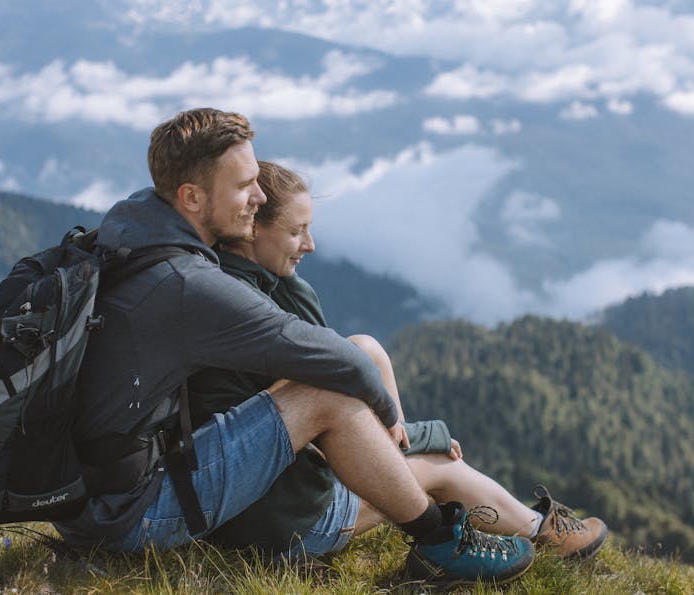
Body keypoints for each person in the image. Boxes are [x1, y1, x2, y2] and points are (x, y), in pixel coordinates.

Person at [53, 108, 536, 587]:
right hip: (131, 514)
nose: (259, 196)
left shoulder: (132, 232)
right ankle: (439, 541)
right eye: (244, 186)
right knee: (326, 389)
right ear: (192, 197)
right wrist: (396, 424)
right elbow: (333, 360)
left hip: (93, 499)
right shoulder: (187, 284)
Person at [197, 159, 608, 561]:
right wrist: (430, 439)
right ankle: (546, 535)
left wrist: (414, 434)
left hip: (258, 495)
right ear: (253, 229)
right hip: (288, 523)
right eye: (296, 231)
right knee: (442, 467)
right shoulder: (258, 315)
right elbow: (319, 430)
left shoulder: (250, 285)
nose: (310, 244)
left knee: (366, 348)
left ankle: (407, 456)